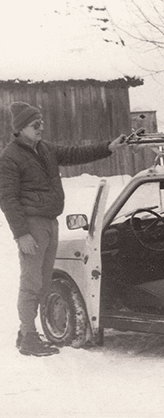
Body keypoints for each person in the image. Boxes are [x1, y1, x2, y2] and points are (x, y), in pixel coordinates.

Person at [0, 102, 128, 357]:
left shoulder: (45, 149)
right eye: (36, 125)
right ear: (21, 128)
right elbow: (7, 198)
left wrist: (108, 147)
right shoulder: (10, 157)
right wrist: (21, 234)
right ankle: (28, 338)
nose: (41, 128)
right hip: (32, 225)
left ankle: (26, 332)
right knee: (32, 283)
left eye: (42, 123)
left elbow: (74, 153)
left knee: (44, 282)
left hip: (50, 221)